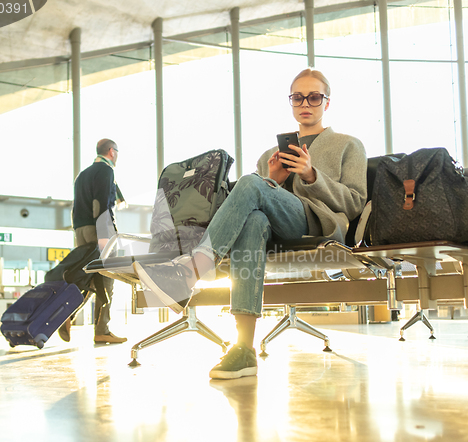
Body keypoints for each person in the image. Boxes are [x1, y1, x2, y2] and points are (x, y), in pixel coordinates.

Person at [135, 68, 367, 377]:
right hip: (273, 226)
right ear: (291, 102)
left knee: (248, 183)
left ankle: (192, 270)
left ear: (327, 103)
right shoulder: (272, 153)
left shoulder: (348, 145)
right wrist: (274, 180)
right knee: (254, 220)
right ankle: (244, 348)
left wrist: (312, 176)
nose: (305, 103)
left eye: (314, 97)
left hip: (316, 222)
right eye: (298, 97)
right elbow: (256, 201)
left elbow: (353, 204)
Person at [60, 138, 127, 344]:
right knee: (107, 277)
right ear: (111, 151)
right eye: (117, 151)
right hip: (98, 229)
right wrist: (105, 235)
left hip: (81, 229)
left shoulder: (82, 175)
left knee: (89, 278)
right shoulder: (106, 171)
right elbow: (100, 203)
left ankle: (66, 315)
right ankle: (102, 330)